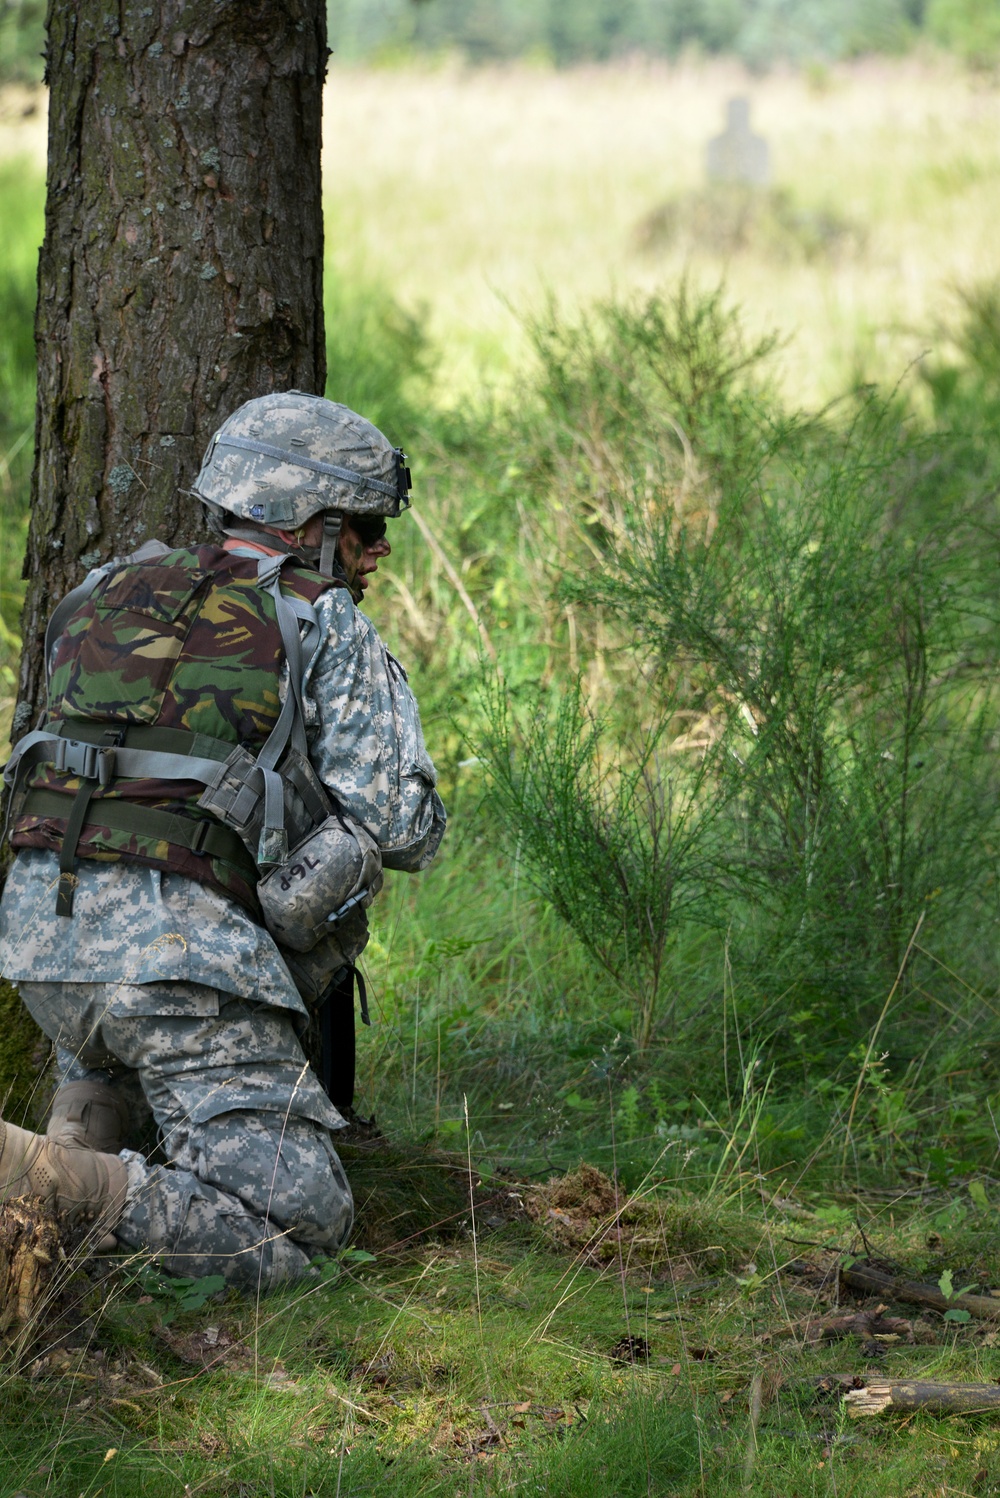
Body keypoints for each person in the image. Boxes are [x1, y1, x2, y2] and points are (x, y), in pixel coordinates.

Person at [0, 393, 446, 1289]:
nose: (378, 549)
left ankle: (46, 1210)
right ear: (311, 526)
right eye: (364, 527)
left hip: (41, 941)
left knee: (108, 1086)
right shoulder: (323, 622)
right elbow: (400, 825)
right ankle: (22, 1171)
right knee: (295, 1230)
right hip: (182, 966)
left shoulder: (103, 590)